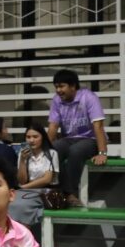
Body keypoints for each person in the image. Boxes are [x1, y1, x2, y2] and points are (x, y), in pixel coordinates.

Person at [47, 68, 109, 207]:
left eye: (61, 86)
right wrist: (43, 148)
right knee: (53, 150)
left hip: (91, 140)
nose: (58, 90)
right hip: (69, 139)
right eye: (56, 87)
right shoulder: (57, 100)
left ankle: (70, 193)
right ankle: (56, 191)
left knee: (76, 151)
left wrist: (102, 152)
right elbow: (53, 127)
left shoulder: (89, 97)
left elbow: (98, 126)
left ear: (73, 86)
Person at [8, 123, 60, 228]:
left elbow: (47, 179)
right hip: (25, 190)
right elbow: (22, 180)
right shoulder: (23, 154)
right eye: (28, 137)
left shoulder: (51, 153)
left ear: (42, 137)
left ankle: (22, 233)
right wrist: (22, 160)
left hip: (45, 191)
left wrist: (23, 187)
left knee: (21, 205)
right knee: (8, 202)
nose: (31, 140)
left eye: (35, 137)